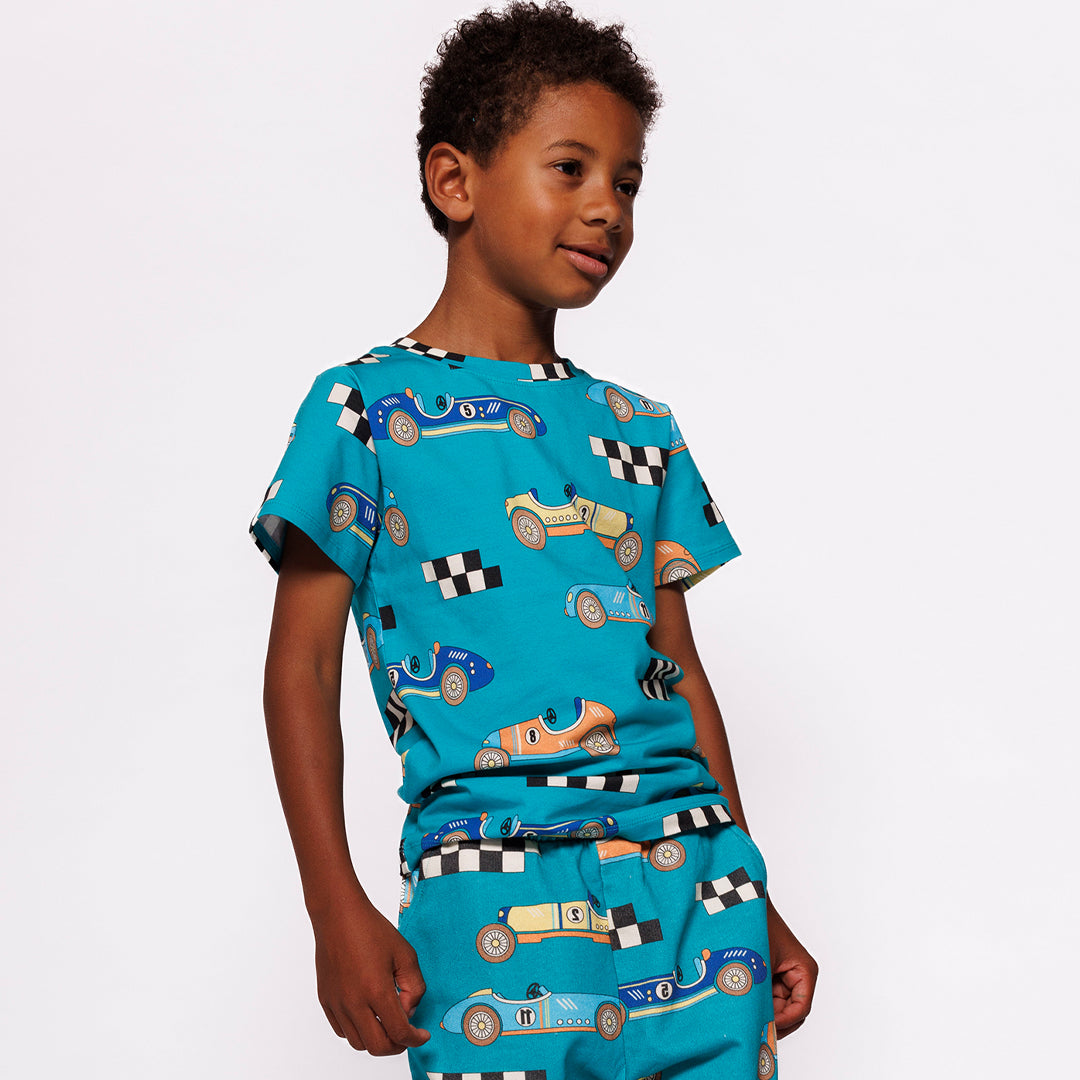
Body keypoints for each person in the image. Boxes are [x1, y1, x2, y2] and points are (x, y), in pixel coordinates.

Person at [250, 3, 818, 1077]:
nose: (608, 208)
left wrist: (760, 895)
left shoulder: (640, 431)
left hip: (697, 886)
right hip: (494, 881)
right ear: (454, 182)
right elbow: (301, 667)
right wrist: (334, 905)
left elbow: (679, 671)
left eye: (629, 182)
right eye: (571, 169)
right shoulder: (364, 412)